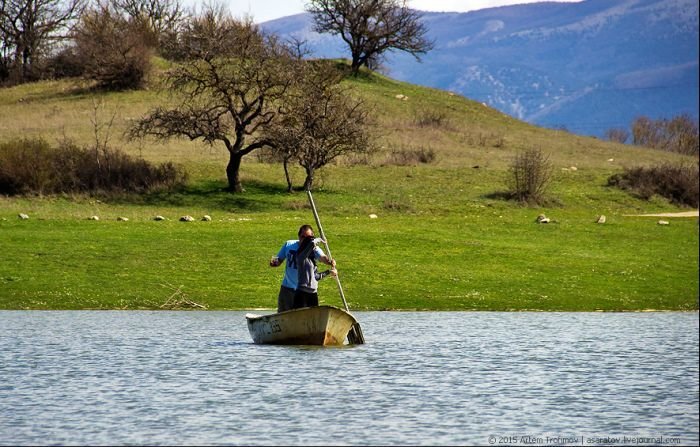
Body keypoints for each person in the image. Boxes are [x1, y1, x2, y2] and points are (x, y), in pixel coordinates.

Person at [270, 224, 335, 312]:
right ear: (299, 236)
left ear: (312, 238)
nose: (305, 240)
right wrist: (275, 262)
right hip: (288, 288)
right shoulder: (289, 245)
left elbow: (323, 258)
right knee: (283, 314)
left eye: (308, 237)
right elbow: (279, 260)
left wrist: (330, 262)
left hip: (304, 291)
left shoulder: (314, 249)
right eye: (302, 237)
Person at [292, 233, 337, 309]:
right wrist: (320, 240)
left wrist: (329, 272)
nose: (315, 248)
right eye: (314, 247)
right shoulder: (301, 257)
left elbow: (316, 277)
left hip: (313, 294)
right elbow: (312, 244)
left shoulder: (312, 261)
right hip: (302, 293)